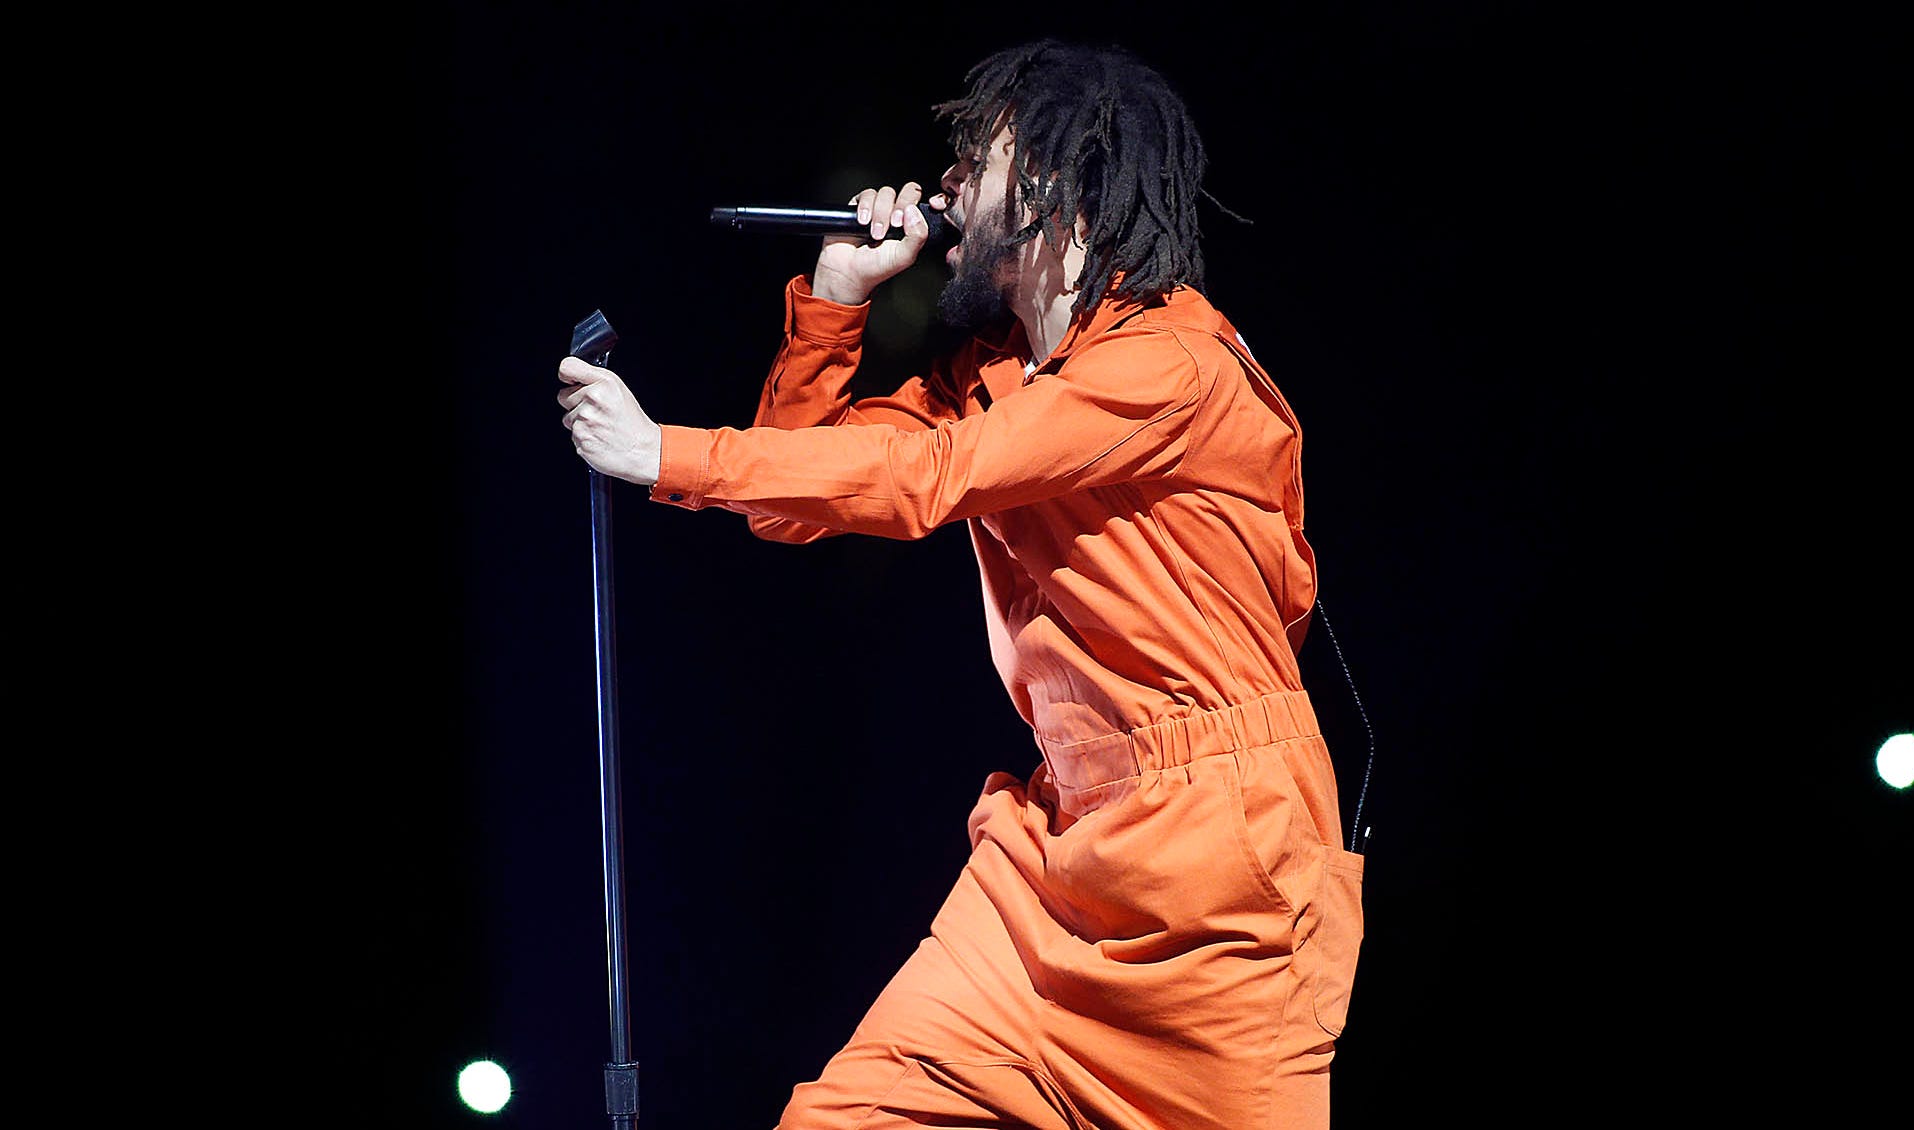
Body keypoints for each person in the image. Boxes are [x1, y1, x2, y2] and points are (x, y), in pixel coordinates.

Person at [558, 38, 1365, 1130]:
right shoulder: (985, 375)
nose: (938, 190)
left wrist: (663, 451)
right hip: (1056, 858)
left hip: (1219, 869)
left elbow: (927, 477)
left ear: (1047, 182)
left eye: (966, 165)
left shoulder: (1168, 364)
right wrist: (835, 301)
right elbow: (795, 500)